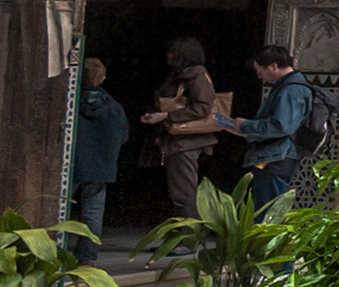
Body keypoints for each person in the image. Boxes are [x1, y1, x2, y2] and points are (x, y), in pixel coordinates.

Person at [139, 37, 221, 218]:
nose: (168, 55)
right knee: (178, 190)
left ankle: (187, 239)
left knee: (183, 191)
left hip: (186, 142)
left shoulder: (196, 76)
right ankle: (179, 238)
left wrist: (167, 116)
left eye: (173, 51)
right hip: (178, 140)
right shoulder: (182, 75)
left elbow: (202, 107)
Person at [229, 45, 315, 211]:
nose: (259, 76)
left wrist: (246, 126)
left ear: (274, 66)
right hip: (276, 155)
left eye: (260, 70)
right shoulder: (288, 86)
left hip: (277, 157)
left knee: (268, 212)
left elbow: (281, 126)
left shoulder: (291, 89)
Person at [67, 57, 127, 260]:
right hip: (101, 168)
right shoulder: (114, 108)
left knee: (59, 208)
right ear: (102, 79)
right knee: (92, 213)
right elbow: (123, 136)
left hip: (72, 165)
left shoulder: (69, 104)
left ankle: (51, 252)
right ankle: (87, 257)